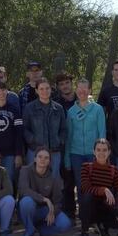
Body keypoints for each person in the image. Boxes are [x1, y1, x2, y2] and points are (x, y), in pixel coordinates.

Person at [17, 147, 73, 236]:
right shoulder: (25, 170)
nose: (43, 159)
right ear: (35, 159)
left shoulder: (53, 178)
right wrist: (44, 199)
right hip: (28, 209)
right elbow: (24, 190)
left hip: (44, 211)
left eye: (46, 158)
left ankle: (42, 230)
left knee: (65, 224)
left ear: (49, 161)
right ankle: (29, 232)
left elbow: (58, 201)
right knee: (27, 201)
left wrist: (52, 212)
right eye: (40, 157)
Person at [78, 138, 118, 236]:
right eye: (98, 150)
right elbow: (85, 187)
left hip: (105, 207)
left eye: (104, 150)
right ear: (94, 152)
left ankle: (103, 226)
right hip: (89, 207)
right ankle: (84, 231)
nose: (101, 153)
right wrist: (104, 190)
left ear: (109, 152)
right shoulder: (86, 167)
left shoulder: (115, 170)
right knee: (87, 197)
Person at [65, 79, 106, 191]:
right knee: (81, 185)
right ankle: (83, 209)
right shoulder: (71, 112)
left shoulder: (98, 109)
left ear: (89, 90)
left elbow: (102, 133)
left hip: (94, 154)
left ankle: (95, 209)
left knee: (96, 185)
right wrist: (67, 159)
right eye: (79, 88)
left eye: (85, 88)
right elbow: (68, 137)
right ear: (76, 90)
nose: (82, 91)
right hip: (76, 154)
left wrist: (102, 155)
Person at [23, 78, 67, 171]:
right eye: (41, 89)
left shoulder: (58, 108)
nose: (45, 91)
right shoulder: (29, 108)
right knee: (34, 180)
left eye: (47, 88)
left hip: (54, 151)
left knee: (54, 179)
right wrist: (32, 139)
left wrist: (59, 140)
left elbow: (63, 128)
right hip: (35, 151)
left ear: (51, 89)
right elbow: (24, 128)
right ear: (36, 91)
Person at [52, 72, 77, 216]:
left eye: (67, 82)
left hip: (80, 144)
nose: (65, 86)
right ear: (58, 87)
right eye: (61, 84)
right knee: (66, 181)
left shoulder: (81, 100)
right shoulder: (56, 103)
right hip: (62, 146)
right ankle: (69, 212)